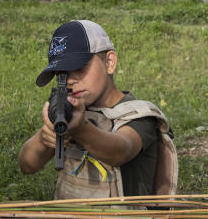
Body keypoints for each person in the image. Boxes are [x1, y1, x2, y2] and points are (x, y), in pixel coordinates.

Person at [18, 20, 177, 200]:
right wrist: (44, 138)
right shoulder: (69, 112)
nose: (70, 81)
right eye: (61, 75)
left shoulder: (139, 115)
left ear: (109, 62)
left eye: (78, 68)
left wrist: (81, 130)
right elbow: (27, 165)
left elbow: (120, 150)